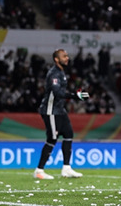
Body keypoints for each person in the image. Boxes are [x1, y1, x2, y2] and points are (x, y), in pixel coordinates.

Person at [34, 48, 89, 180]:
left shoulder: (61, 72)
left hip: (59, 110)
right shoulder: (53, 73)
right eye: (64, 56)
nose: (67, 58)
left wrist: (75, 95)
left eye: (67, 56)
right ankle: (39, 170)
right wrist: (75, 96)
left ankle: (66, 168)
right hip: (50, 110)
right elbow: (57, 92)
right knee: (52, 138)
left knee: (69, 134)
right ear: (56, 59)